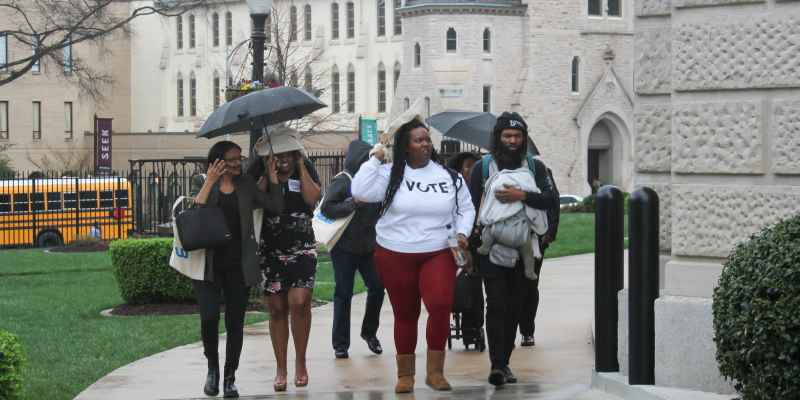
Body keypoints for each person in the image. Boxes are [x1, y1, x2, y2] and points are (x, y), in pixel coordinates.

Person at [351, 117, 475, 393]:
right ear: (405, 146)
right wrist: (375, 156)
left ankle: (435, 372)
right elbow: (358, 190)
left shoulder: (448, 176)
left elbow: (466, 207)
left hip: (438, 250)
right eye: (419, 140)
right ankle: (405, 375)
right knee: (405, 313)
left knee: (441, 304)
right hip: (395, 252)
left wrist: (463, 232)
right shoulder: (389, 174)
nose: (426, 144)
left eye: (427, 139)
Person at [468, 112, 557, 386]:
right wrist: (470, 246)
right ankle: (497, 364)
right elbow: (469, 209)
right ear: (498, 138)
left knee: (515, 307)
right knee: (496, 304)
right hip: (491, 249)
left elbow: (551, 200)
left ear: (524, 139)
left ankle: (504, 360)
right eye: (507, 136)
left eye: (517, 136)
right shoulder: (481, 169)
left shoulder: (536, 168)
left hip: (524, 248)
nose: (512, 141)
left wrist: (523, 196)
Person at [192, 140, 284, 398]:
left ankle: (230, 377)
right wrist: (210, 181)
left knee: (235, 324)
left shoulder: (245, 185)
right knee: (209, 319)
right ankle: (212, 368)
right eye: (232, 159)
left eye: (239, 159)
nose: (238, 163)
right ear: (218, 161)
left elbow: (275, 205)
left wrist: (273, 177)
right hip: (209, 266)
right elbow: (195, 213)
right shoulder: (202, 182)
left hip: (238, 266)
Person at [252, 128, 322, 392]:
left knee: (300, 302)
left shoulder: (304, 168)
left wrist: (301, 166)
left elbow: (312, 198)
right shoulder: (261, 172)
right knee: (277, 309)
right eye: (278, 155)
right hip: (270, 250)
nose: (283, 160)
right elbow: (255, 202)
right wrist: (270, 178)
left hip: (301, 247)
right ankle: (281, 368)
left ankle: (301, 363)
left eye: (288, 155)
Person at [321, 140, 385, 360]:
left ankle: (369, 333)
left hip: (368, 248)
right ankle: (340, 344)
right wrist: (353, 203)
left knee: (377, 287)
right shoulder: (343, 181)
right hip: (344, 249)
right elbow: (327, 208)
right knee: (343, 294)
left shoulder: (375, 181)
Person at [446, 152, 485, 350]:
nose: (472, 170)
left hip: (477, 244)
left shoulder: (482, 189)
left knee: (474, 286)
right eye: (468, 166)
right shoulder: (452, 189)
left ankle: (474, 327)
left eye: (475, 166)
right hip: (455, 244)